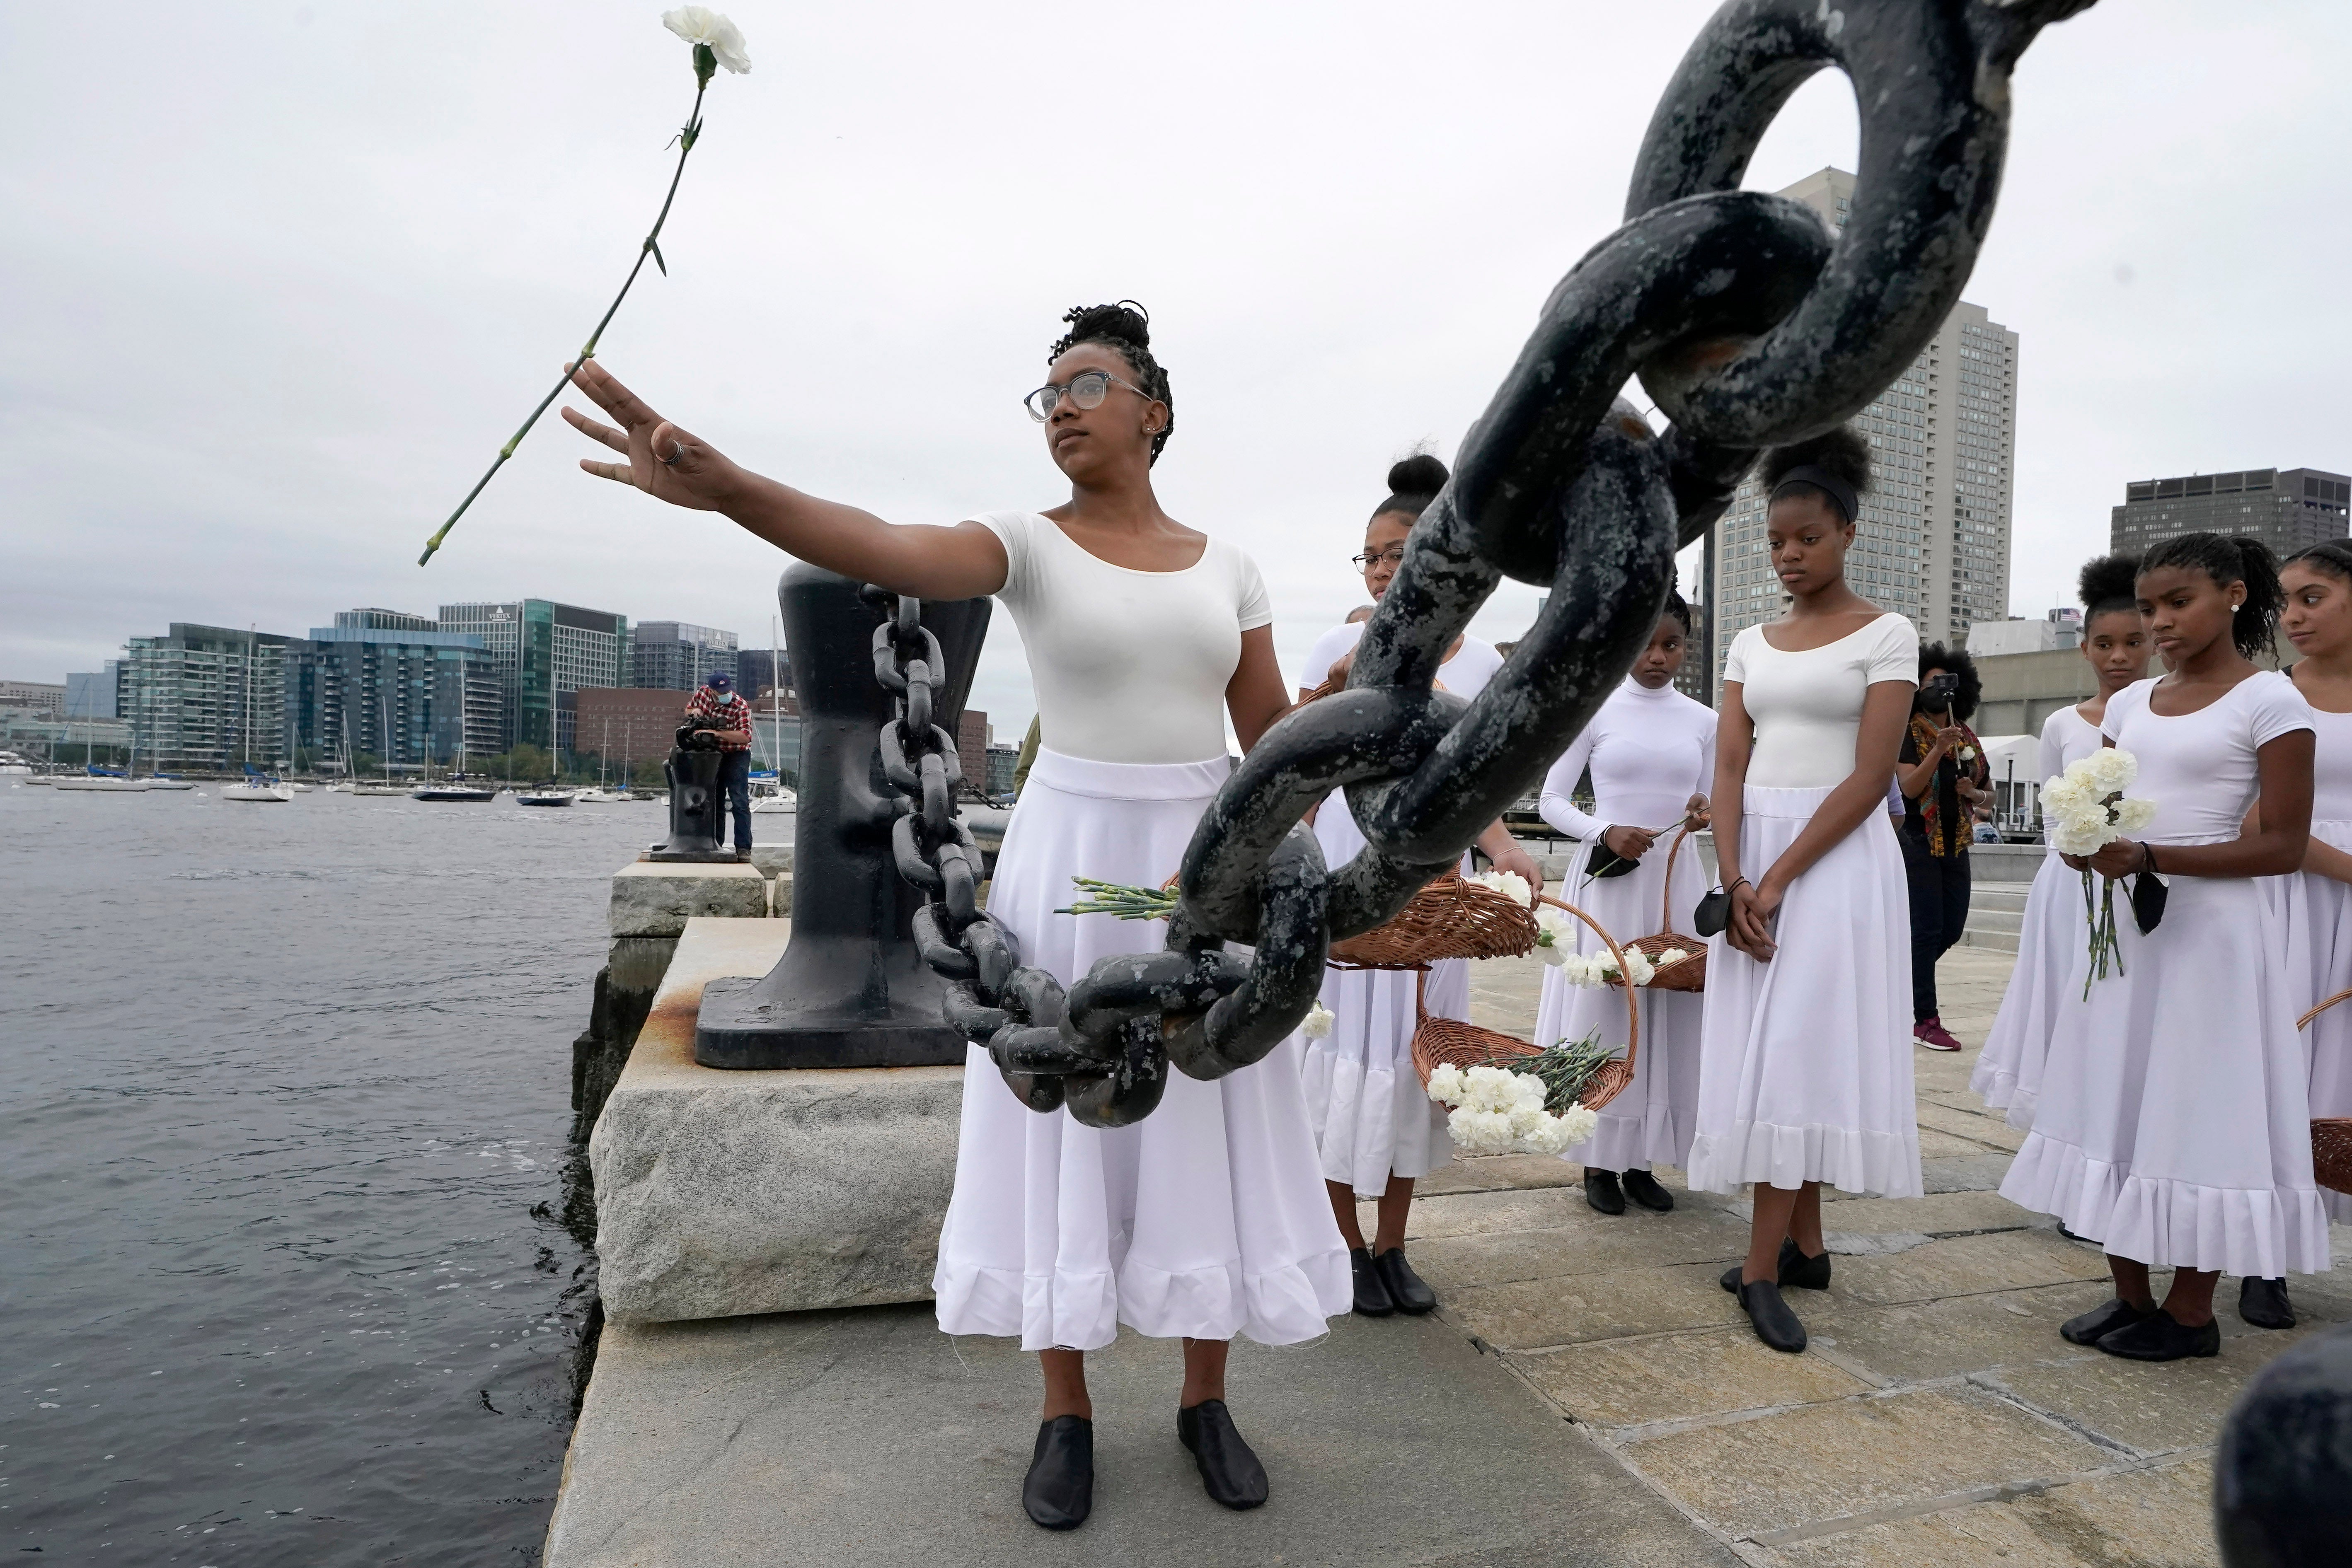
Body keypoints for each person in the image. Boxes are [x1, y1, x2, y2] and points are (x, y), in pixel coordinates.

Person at [560, 301, 1349, 1527]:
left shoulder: (1228, 565)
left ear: (1152, 408)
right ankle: (1065, 1407)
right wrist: (727, 487)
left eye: (1087, 382)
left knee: (1208, 1102)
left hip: (1193, 864)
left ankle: (1204, 1395)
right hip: (1078, 861)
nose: (1063, 408)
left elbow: (1274, 741)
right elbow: (876, 542)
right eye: (1047, 395)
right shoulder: (1024, 543)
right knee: (1059, 1111)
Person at [2000, 533, 2324, 1362]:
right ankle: (2131, 1294)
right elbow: (2102, 800)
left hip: (2212, 938)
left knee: (2196, 1103)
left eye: (2180, 601)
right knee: (2117, 1089)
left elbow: (2284, 845)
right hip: (2126, 934)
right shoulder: (2132, 703)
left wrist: (2154, 856)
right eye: (2150, 608)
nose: (2162, 621)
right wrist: (2081, 841)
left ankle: (2191, 1313)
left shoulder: (2272, 703)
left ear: (2235, 595)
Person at [1294, 454, 1546, 1319]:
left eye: (1398, 553)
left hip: (1437, 888)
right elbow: (1295, 766)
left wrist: (1507, 849)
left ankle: (1394, 1245)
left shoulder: (1481, 668)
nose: (1381, 570)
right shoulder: (1338, 644)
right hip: (1349, 876)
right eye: (1370, 556)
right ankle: (1344, 1246)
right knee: (1340, 1065)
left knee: (1417, 1061)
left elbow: (1480, 784)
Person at [1692, 427, 1920, 1355]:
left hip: (1835, 860)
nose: (1789, 556)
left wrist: (1779, 878)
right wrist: (1735, 875)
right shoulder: (1748, 640)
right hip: (1756, 861)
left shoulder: (1889, 631)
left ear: (1848, 533)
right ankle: (1806, 1245)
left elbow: (1872, 775)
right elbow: (1731, 763)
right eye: (1777, 541)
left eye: (1808, 539)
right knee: (1767, 1042)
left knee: (1799, 1046)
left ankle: (1757, 1267)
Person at [1534, 592, 1713, 1214]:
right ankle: (1595, 1158)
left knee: (1667, 1013)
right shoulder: (1595, 708)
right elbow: (1551, 800)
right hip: (1610, 873)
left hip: (1672, 879)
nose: (1658, 657)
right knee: (1604, 1010)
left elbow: (1714, 798)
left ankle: (1640, 1158)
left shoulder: (1704, 720)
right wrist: (1603, 830)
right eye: (1645, 643)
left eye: (1671, 644)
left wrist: (1701, 813)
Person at [1973, 556, 2148, 1126]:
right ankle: (2064, 1128)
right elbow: (2053, 815)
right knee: (2068, 1001)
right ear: (2086, 649)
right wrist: (2077, 852)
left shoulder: (2162, 715)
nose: (2118, 657)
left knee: (2124, 1009)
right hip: (2069, 886)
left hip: (2140, 879)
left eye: (2132, 642)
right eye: (2104, 644)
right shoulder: (2062, 724)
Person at [2246, 538, 2352, 1330]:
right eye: (2286, 601)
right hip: (2291, 900)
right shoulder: (2273, 696)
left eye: (2311, 597)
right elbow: (2259, 816)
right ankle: (2262, 1256)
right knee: (2281, 1064)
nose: (2291, 617)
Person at [1897, 644, 1991, 1051]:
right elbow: (1908, 789)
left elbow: (1990, 795)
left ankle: (1895, 986)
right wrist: (1937, 748)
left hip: (1957, 843)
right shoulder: (1907, 731)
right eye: (1930, 682)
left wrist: (1974, 792)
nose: (1938, 689)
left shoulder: (1968, 737)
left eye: (1945, 683)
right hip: (1918, 842)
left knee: (1951, 928)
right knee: (1926, 931)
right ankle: (1924, 1018)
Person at [682, 670, 754, 859]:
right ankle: (716, 844)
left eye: (727, 691)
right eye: (721, 692)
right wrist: (694, 712)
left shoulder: (740, 706)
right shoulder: (702, 694)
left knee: (739, 801)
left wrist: (717, 733)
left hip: (737, 754)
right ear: (711, 691)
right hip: (713, 754)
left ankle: (743, 848)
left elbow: (745, 736)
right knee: (716, 801)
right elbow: (688, 709)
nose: (725, 695)